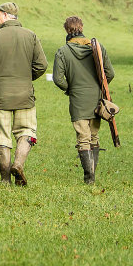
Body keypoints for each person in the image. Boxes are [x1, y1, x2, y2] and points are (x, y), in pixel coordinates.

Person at [0, 2, 46, 185]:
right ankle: (19, 164)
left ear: (6, 15)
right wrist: (26, 79)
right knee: (27, 131)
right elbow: (42, 65)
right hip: (25, 95)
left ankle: (5, 179)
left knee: (1, 136)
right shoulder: (31, 36)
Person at [52, 15, 114, 185]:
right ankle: (92, 176)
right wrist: (100, 87)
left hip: (77, 100)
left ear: (66, 30)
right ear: (82, 27)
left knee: (83, 137)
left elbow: (58, 79)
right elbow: (110, 73)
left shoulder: (62, 51)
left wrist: (70, 89)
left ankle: (89, 177)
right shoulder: (97, 48)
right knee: (94, 137)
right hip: (96, 100)